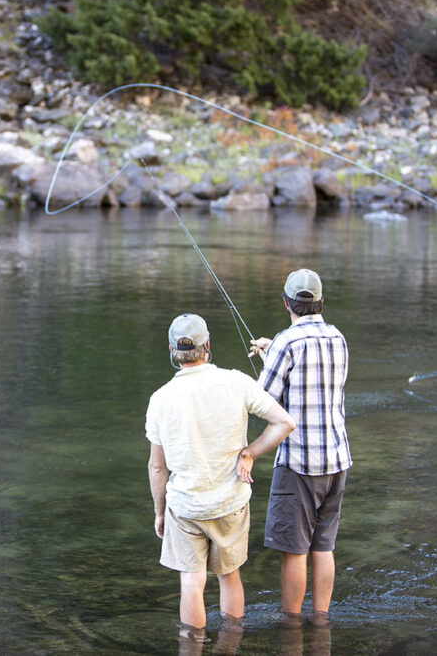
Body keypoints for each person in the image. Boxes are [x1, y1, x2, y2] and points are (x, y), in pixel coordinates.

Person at [146, 313, 296, 646]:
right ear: (208, 346)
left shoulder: (160, 399)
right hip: (230, 503)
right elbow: (284, 423)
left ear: (172, 350)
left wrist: (159, 512)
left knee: (191, 583)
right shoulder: (236, 381)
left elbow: (158, 468)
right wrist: (250, 453)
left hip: (184, 508)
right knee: (229, 578)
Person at [248, 268, 352, 628]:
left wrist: (272, 354)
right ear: (321, 302)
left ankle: (291, 628)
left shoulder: (287, 343)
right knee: (323, 547)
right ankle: (321, 622)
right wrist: (272, 352)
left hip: (299, 463)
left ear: (286, 303)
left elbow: (263, 401)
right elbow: (314, 383)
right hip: (337, 460)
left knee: (294, 550)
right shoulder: (338, 338)